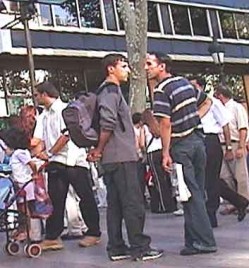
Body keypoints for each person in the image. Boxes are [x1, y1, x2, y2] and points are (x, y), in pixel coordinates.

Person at [87, 53, 163, 261]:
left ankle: (117, 247)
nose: (127, 70)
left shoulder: (104, 91)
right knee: (132, 203)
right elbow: (108, 122)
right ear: (110, 69)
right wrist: (100, 148)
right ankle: (140, 246)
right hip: (121, 156)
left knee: (116, 205)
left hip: (112, 159)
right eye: (123, 66)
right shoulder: (111, 91)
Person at [145, 52, 217, 256]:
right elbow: (207, 102)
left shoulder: (160, 90)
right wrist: (194, 119)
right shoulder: (185, 83)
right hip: (197, 141)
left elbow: (165, 123)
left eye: (150, 64)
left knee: (189, 194)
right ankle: (193, 240)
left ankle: (204, 241)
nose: (146, 68)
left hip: (181, 146)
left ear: (162, 66)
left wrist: (166, 152)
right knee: (196, 193)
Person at [33, 81, 101, 251]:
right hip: (56, 161)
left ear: (44, 94)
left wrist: (48, 153)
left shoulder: (66, 110)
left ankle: (93, 232)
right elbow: (38, 139)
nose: (35, 98)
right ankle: (52, 236)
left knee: (85, 197)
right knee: (55, 199)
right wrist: (36, 153)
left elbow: (66, 136)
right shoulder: (43, 116)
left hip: (73, 160)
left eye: (37, 95)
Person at [190, 76, 249, 226]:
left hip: (210, 140)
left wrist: (229, 147)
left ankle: (211, 214)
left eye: (194, 86)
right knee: (211, 179)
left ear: (201, 87)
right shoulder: (188, 104)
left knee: (211, 179)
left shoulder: (213, 103)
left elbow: (225, 124)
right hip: (195, 139)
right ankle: (239, 201)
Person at [215, 86, 249, 214]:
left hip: (235, 144)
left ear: (220, 95)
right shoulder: (219, 109)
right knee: (225, 176)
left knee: (240, 175)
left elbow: (243, 128)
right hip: (220, 144)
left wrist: (241, 146)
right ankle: (234, 202)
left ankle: (245, 200)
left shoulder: (236, 107)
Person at [2, 127, 38, 241]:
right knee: (21, 208)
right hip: (19, 184)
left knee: (24, 209)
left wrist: (35, 173)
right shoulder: (15, 154)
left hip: (24, 184)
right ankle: (23, 229)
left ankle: (28, 230)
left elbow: (31, 164)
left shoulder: (20, 153)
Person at [141, 108, 177, 214]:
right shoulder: (159, 125)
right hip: (162, 150)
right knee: (166, 178)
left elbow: (142, 143)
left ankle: (163, 204)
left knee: (158, 180)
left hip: (152, 153)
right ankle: (171, 203)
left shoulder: (145, 128)